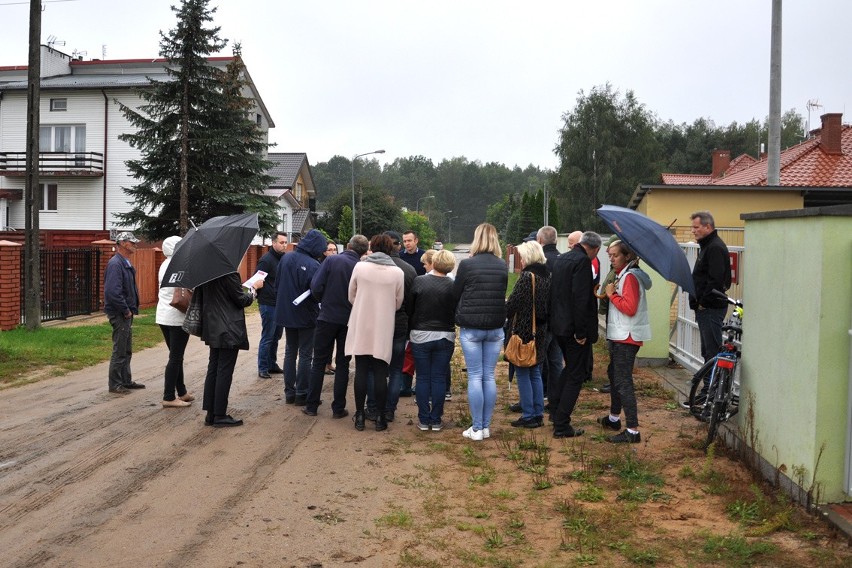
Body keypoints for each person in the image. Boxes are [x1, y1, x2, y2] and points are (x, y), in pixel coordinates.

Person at [302, 234, 369, 418]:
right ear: (364, 251)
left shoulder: (331, 261)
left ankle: (312, 405)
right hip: (350, 320)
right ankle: (338, 408)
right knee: (343, 364)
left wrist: (323, 300)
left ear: (348, 245)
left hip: (327, 317)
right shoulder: (362, 267)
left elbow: (315, 286)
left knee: (318, 361)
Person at [454, 222, 508, 441]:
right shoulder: (502, 264)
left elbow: (456, 292)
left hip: (472, 326)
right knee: (488, 376)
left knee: (475, 376)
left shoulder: (467, 265)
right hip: (495, 326)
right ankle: (484, 426)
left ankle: (476, 428)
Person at [346, 234, 404, 432]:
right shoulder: (397, 273)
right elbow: (398, 302)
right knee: (381, 372)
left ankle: (360, 415)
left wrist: (363, 304)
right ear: (390, 249)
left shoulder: (360, 267)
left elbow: (351, 295)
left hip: (362, 322)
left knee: (361, 370)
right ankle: (380, 416)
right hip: (383, 325)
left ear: (372, 247)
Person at [549, 231, 602, 438]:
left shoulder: (563, 259)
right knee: (576, 375)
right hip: (573, 329)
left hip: (559, 326)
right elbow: (581, 299)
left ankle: (555, 410)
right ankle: (562, 424)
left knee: (569, 369)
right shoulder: (582, 262)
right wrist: (581, 332)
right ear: (595, 250)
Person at [599, 240, 652, 443]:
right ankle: (614, 418)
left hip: (626, 336)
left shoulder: (630, 277)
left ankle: (632, 430)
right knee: (614, 376)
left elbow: (629, 308)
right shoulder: (625, 274)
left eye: (615, 255)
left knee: (623, 381)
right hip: (620, 334)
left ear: (627, 256)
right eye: (610, 255)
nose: (611, 259)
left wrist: (611, 295)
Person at [199, 272, 263, 427]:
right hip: (228, 328)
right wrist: (254, 289)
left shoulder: (205, 274)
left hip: (213, 325)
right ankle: (220, 414)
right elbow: (241, 300)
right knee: (224, 371)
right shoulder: (229, 274)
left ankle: (211, 413)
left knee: (213, 368)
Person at [274, 229, 328, 405]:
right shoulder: (314, 265)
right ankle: (302, 393)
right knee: (305, 354)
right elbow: (317, 291)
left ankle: (290, 392)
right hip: (306, 315)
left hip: (286, 313)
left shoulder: (286, 258)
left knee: (290, 351)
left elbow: (277, 284)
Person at [408, 249, 457, 431]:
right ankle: (435, 419)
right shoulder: (453, 285)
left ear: (434, 262)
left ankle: (423, 418)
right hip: (445, 334)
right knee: (438, 378)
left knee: (422, 377)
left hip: (420, 334)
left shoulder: (419, 281)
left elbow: (410, 308)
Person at [369, 230, 415, 419]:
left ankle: (372, 407)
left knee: (374, 367)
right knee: (396, 369)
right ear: (398, 245)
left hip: (375, 323)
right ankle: (389, 410)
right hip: (399, 323)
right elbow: (411, 303)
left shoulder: (368, 268)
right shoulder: (409, 270)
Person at [506, 240, 551, 428]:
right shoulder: (547, 275)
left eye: (523, 256)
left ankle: (528, 415)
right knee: (536, 374)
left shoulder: (527, 277)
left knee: (523, 373)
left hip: (524, 331)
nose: (521, 259)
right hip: (540, 330)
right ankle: (538, 413)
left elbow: (513, 303)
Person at [688, 211, 731, 405]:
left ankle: (712, 394)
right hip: (705, 307)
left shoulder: (714, 248)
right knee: (707, 351)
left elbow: (716, 280)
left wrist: (703, 301)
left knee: (712, 352)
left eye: (696, 227)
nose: (693, 231)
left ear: (708, 227)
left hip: (711, 308)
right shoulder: (707, 246)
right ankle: (708, 391)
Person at [156, 236, 193, 408]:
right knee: (176, 357)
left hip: (163, 315)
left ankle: (182, 391)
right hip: (176, 317)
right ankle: (169, 396)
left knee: (176, 356)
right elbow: (188, 288)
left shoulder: (165, 264)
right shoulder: (178, 266)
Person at [104, 231, 144, 394]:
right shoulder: (116, 264)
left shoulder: (123, 262)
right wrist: (125, 310)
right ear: (123, 244)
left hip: (125, 313)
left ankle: (125, 380)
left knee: (126, 349)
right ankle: (115, 384)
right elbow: (113, 292)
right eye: (132, 242)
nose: (135, 245)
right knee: (119, 349)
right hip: (120, 313)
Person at [256, 232, 287, 379]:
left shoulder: (283, 259)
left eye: (285, 242)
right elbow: (257, 281)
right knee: (268, 336)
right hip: (268, 303)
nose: (284, 245)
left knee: (276, 336)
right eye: (281, 242)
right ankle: (262, 367)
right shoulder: (266, 260)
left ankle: (272, 364)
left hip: (280, 303)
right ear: (273, 243)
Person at [321, 240, 338, 376]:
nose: (333, 252)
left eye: (334, 250)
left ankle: (329, 363)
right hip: (323, 307)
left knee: (332, 340)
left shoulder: (339, 265)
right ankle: (323, 364)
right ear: (324, 252)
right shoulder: (321, 265)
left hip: (334, 308)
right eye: (330, 250)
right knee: (324, 340)